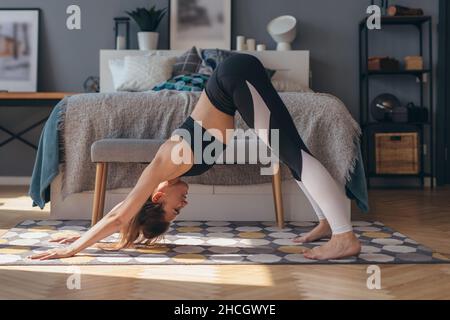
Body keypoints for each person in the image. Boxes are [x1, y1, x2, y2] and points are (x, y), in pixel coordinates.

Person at [29, 53, 361, 261]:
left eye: (174, 209)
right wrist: (84, 235)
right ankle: (327, 223)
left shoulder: (165, 164)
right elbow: (121, 214)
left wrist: (72, 249)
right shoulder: (165, 173)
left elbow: (120, 216)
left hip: (235, 76)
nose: (183, 206)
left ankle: (344, 236)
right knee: (289, 153)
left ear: (158, 196)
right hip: (234, 79)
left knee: (295, 153)